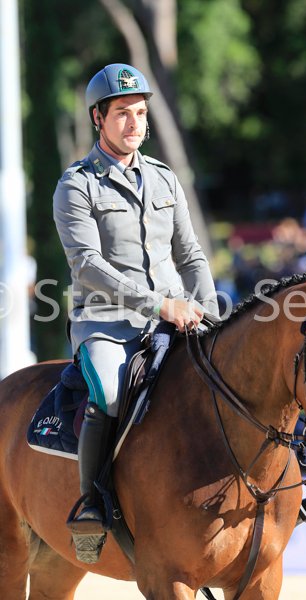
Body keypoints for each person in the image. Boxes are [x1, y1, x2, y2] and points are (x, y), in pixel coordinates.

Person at [53, 63, 220, 536]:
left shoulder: (165, 179)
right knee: (108, 393)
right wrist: (158, 305)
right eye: (122, 113)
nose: (134, 123)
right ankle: (91, 503)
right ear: (98, 118)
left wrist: (211, 314)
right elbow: (87, 264)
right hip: (106, 324)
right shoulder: (76, 185)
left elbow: (190, 256)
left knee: (236, 371)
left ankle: (290, 485)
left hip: (177, 316)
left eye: (141, 113)